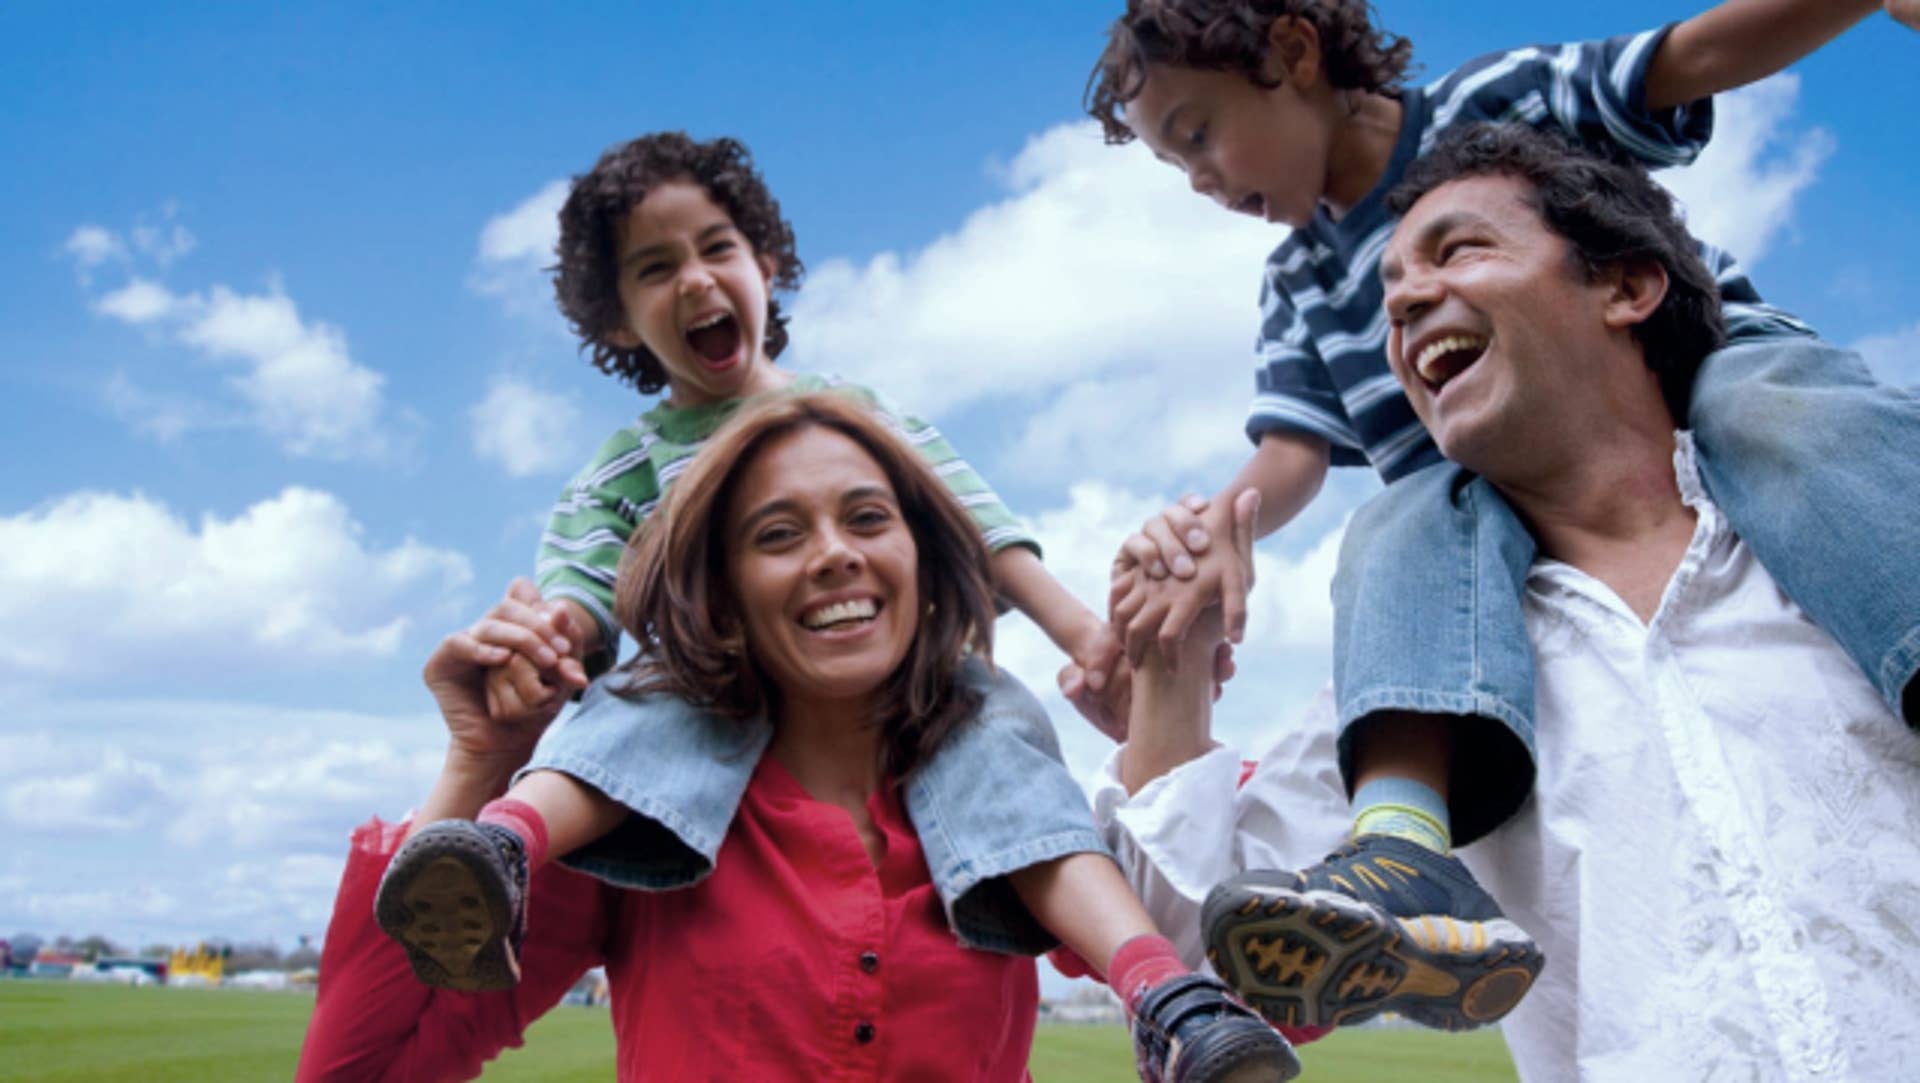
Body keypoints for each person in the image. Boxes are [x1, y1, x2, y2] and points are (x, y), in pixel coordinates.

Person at [1076, 0, 1920, 1029]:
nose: (1201, 181)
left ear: (1293, 56)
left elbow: (1687, 56)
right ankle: (1398, 849)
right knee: (1401, 519)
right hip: (1466, 504)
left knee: (1772, 416)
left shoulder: (1491, 107)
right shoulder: (1300, 284)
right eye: (1177, 167)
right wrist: (1214, 534)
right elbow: (1291, 451)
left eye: (1197, 135)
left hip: (1719, 371)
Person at [372, 131, 1292, 1065]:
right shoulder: (626, 466)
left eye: (716, 249)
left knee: (1015, 773)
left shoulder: (858, 415)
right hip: (705, 686)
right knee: (628, 714)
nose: (695, 281)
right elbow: (577, 588)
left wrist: (1085, 634)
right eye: (656, 268)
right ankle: (498, 852)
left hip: (926, 698)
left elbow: (980, 525)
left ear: (765, 265)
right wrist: (545, 650)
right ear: (618, 321)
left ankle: (1164, 994)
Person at [301, 393, 1300, 1082]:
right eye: (778, 535)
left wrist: (1176, 663)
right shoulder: (631, 832)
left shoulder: (1012, 820)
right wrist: (476, 769)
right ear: (723, 591)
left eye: (868, 518)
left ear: (924, 558)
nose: (833, 556)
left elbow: (1269, 1014)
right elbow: (369, 1068)